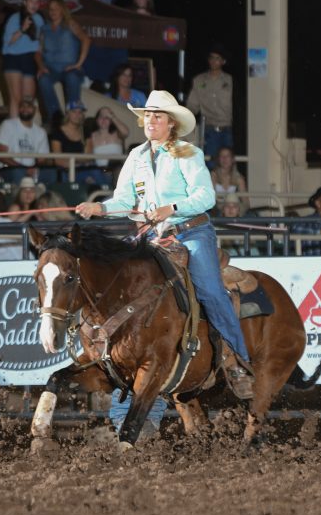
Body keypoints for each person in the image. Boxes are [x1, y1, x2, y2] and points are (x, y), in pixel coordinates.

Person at [74, 90, 255, 397]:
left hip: (191, 233)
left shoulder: (188, 153)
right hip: (151, 237)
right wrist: (100, 208)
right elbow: (125, 198)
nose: (150, 121)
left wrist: (170, 209)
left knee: (210, 291)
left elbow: (206, 197)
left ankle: (238, 361)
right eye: (147, 116)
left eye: (157, 116)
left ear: (171, 124)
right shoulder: (137, 156)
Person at [36, 0, 91, 122]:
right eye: (50, 9)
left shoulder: (70, 24)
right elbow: (38, 52)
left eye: (56, 8)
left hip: (69, 67)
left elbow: (86, 40)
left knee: (72, 78)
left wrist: (79, 63)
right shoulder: (45, 29)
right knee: (43, 79)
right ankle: (56, 118)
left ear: (62, 10)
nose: (53, 11)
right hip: (51, 67)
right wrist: (41, 66)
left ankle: (73, 117)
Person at [186, 45, 234, 166]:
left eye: (218, 58)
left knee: (228, 165)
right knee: (211, 164)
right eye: (212, 57)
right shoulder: (199, 80)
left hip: (228, 128)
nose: (214, 61)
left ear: (223, 61)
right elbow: (192, 106)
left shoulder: (230, 80)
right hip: (209, 129)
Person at [1, 0, 44, 111]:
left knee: (28, 101)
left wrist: (41, 63)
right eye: (31, 1)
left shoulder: (39, 19)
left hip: (30, 60)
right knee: (16, 99)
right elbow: (8, 40)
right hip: (13, 59)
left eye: (37, 2)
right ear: (25, 2)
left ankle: (26, 128)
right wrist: (22, 29)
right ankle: (14, 129)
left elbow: (41, 42)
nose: (34, 5)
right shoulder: (15, 18)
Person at [0, 96, 50, 184]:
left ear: (35, 109)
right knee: (18, 173)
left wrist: (35, 168)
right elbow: (2, 155)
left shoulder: (41, 132)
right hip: (8, 168)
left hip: (29, 169)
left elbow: (42, 159)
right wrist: (23, 169)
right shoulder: (8, 125)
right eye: (22, 106)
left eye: (29, 106)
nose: (25, 109)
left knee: (50, 173)